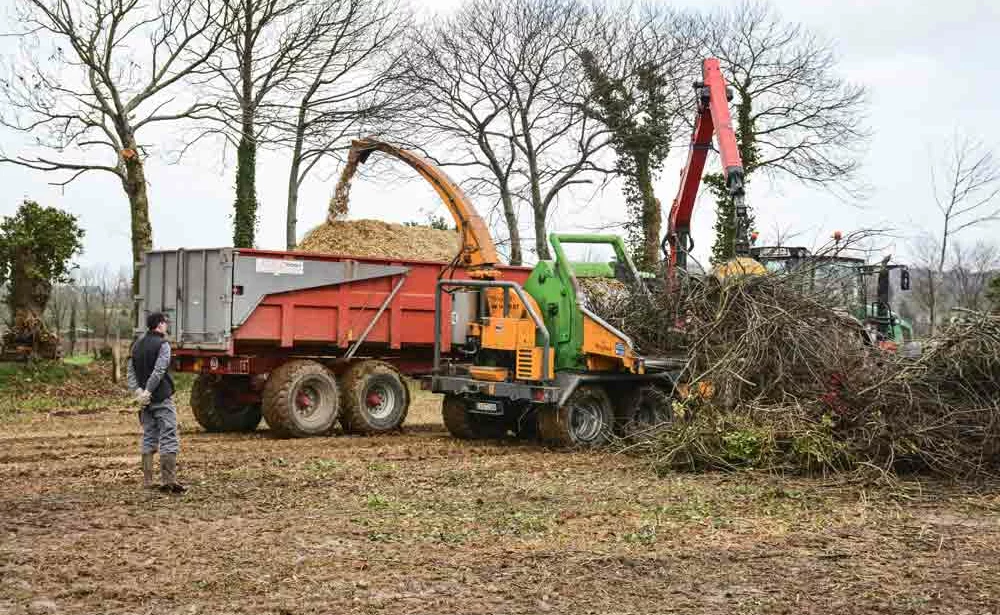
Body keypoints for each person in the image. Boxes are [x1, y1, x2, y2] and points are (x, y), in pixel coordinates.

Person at [127, 312, 185, 493]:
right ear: (160, 325)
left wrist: (138, 392)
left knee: (149, 436)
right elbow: (159, 371)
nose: (166, 326)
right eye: (165, 323)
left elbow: (130, 372)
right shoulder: (163, 344)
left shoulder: (136, 345)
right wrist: (149, 391)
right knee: (168, 435)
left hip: (145, 401)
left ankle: (148, 481)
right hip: (160, 397)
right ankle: (168, 481)